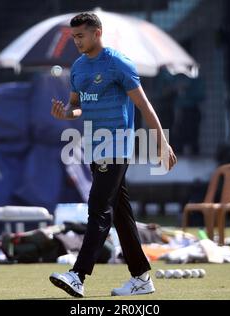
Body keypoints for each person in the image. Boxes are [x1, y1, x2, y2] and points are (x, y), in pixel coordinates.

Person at [49, 13, 177, 297]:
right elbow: (77, 107)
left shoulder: (118, 63)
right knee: (121, 215)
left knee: (98, 209)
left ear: (97, 33)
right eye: (74, 37)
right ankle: (141, 277)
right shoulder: (79, 68)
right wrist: (65, 114)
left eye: (81, 36)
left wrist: (162, 143)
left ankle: (78, 275)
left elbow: (145, 106)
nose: (77, 42)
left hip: (117, 146)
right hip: (94, 148)